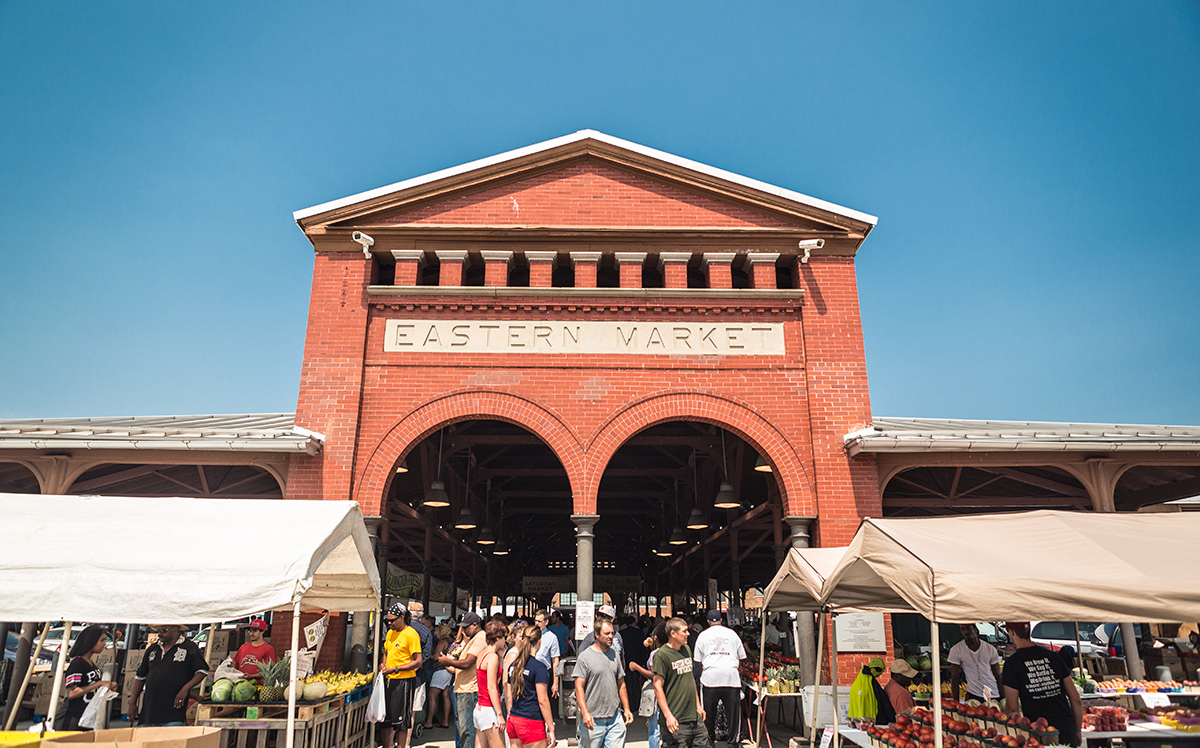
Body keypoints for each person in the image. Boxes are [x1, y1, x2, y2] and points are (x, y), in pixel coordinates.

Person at [1002, 622, 1083, 747]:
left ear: (1011, 632)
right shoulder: (1052, 656)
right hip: (1066, 728)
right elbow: (1076, 699)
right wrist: (1077, 730)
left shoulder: (1012, 663)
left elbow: (1012, 709)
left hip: (1037, 734)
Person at [129, 624, 208, 726]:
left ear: (175, 629)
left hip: (174, 713)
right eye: (159, 630)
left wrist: (185, 689)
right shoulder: (153, 649)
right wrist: (132, 702)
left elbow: (202, 671)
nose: (160, 634)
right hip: (149, 713)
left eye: (164, 630)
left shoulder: (189, 647)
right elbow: (140, 677)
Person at [575, 618, 634, 748]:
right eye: (607, 633)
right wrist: (584, 713)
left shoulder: (615, 655)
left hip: (614, 717)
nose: (611, 637)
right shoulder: (585, 657)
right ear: (596, 634)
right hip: (593, 719)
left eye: (612, 633)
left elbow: (621, 684)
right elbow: (579, 687)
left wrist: (627, 709)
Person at [653, 617, 709, 748]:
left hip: (694, 717)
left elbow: (690, 680)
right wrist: (668, 716)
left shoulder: (686, 650)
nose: (688, 634)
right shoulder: (661, 655)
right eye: (684, 631)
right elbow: (657, 687)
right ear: (673, 634)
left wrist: (698, 705)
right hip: (676, 719)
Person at [693, 610, 746, 746]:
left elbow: (698, 660)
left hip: (710, 678)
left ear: (708, 621)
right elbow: (741, 657)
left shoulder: (702, 635)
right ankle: (733, 742)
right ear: (721, 620)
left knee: (708, 714)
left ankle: (710, 740)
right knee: (733, 714)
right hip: (731, 677)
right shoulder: (732, 634)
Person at [439, 612, 487, 748]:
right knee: (464, 728)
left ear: (475, 625)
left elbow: (467, 663)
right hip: (464, 688)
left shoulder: (479, 638)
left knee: (468, 730)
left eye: (466, 627)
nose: (463, 630)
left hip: (469, 690)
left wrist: (447, 661)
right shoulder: (473, 638)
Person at [60, 625, 119, 731]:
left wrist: (107, 687)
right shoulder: (77, 663)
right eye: (102, 640)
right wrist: (98, 684)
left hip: (85, 718)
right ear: (91, 641)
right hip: (71, 719)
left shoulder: (91, 663)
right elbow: (71, 693)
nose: (104, 644)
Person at [505, 626, 556, 748]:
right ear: (539, 641)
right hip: (531, 721)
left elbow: (508, 695)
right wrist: (551, 728)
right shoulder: (539, 667)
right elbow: (543, 700)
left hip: (514, 718)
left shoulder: (513, 665)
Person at [382, 602, 424, 748]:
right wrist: (384, 664)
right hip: (388, 680)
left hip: (404, 681)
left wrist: (396, 669)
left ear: (403, 617)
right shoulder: (390, 633)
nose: (389, 623)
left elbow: (418, 661)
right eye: (387, 620)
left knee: (401, 721)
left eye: (392, 620)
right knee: (386, 719)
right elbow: (386, 652)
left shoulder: (411, 634)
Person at [629, 622, 669, 748]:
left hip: (657, 692)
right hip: (669, 691)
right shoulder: (670, 651)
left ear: (655, 638)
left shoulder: (655, 654)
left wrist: (637, 667)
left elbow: (653, 674)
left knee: (654, 729)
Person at [474, 620, 508, 748]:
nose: (505, 640)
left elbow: (493, 680)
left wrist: (501, 658)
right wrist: (499, 714)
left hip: (480, 708)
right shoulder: (492, 657)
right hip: (489, 709)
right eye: (504, 637)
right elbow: (492, 687)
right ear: (498, 637)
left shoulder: (483, 654)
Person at [949, 624, 1003, 702]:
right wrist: (956, 702)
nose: (966, 632)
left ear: (976, 630)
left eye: (968, 628)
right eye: (962, 629)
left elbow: (998, 675)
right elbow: (954, 678)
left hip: (993, 692)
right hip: (974, 694)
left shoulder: (990, 649)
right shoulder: (956, 650)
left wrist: (1004, 699)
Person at [424, 623, 455, 729]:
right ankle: (445, 721)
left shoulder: (442, 641)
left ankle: (428, 722)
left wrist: (429, 655)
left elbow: (437, 656)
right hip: (448, 671)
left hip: (440, 670)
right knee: (446, 696)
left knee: (432, 696)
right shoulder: (452, 641)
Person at [848, 657, 895, 725]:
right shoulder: (871, 682)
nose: (879, 673)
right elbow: (884, 701)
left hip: (855, 722)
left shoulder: (857, 683)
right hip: (870, 722)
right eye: (879, 670)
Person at [533, 610, 561, 698]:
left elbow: (555, 660)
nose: (537, 623)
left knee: (542, 698)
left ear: (546, 622)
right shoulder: (530, 634)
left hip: (544, 671)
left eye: (539, 621)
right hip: (530, 670)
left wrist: (555, 683)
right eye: (535, 621)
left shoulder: (552, 637)